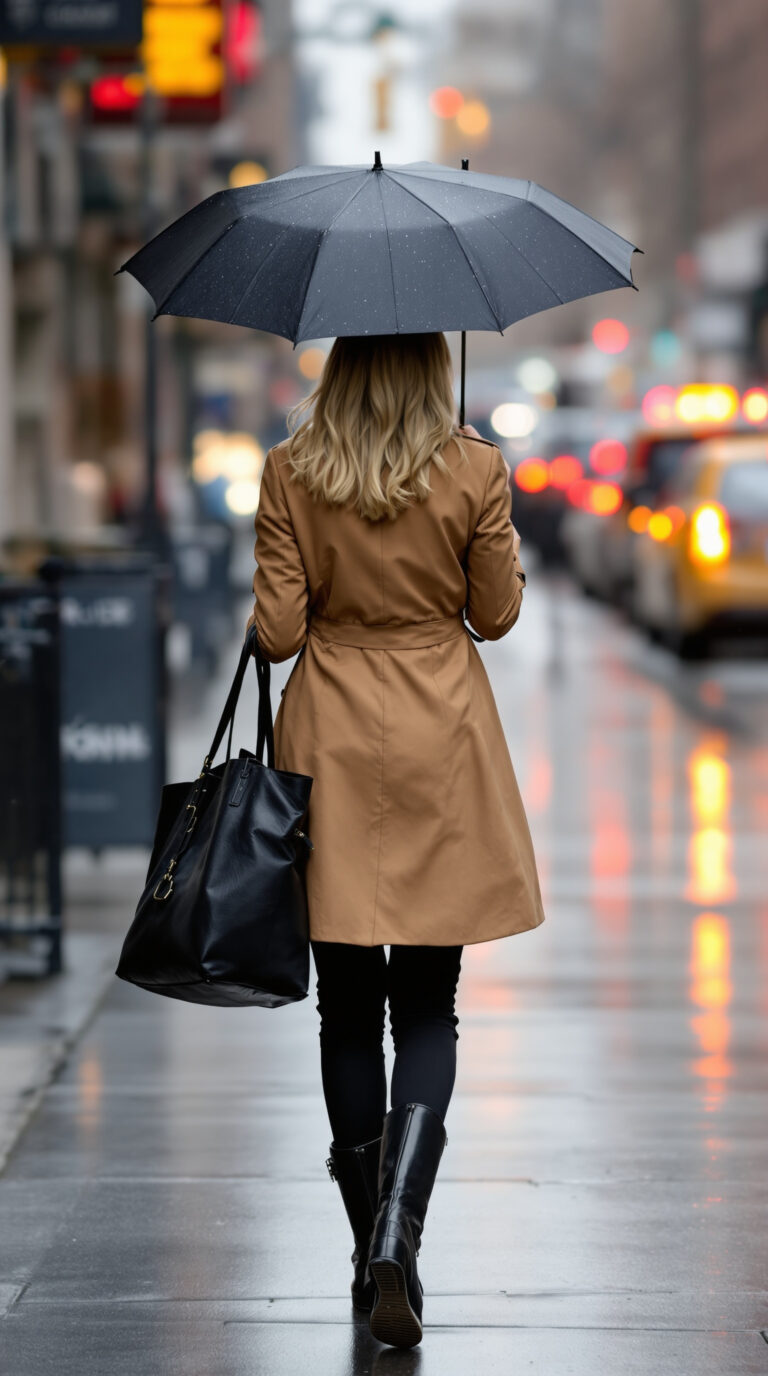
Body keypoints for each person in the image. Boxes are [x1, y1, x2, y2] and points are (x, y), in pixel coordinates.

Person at [245, 332, 545, 1350]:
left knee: (345, 1008)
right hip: (438, 738)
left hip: (330, 731)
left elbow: (279, 633)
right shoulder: (472, 467)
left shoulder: (292, 471)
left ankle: (374, 1244)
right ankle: (397, 1233)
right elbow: (495, 615)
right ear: (430, 364)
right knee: (429, 1005)